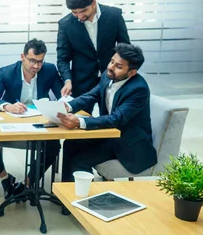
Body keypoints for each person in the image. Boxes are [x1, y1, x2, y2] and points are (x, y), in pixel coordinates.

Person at [57, 43, 157, 187]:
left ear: (132, 72)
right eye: (112, 61)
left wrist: (80, 122)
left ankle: (83, 202)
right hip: (109, 134)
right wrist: (69, 106)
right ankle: (66, 197)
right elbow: (93, 94)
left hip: (127, 142)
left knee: (80, 160)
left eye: (119, 66)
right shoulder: (108, 75)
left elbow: (116, 118)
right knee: (70, 143)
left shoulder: (138, 89)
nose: (111, 67)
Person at [0, 39, 63, 198]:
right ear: (23, 57)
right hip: (12, 122)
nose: (36, 66)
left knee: (54, 146)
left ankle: (27, 184)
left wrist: (61, 105)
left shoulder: (49, 71)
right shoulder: (7, 72)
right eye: (32, 61)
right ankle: (5, 178)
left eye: (40, 62)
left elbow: (62, 95)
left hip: (38, 122)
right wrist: (7, 106)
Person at [57, 0, 130, 102]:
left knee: (109, 117)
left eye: (83, 11)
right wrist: (67, 80)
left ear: (94, 3)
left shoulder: (114, 16)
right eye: (75, 12)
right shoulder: (66, 24)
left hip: (112, 77)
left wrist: (123, 73)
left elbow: (125, 48)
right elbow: (62, 59)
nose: (80, 16)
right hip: (81, 81)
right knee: (80, 118)